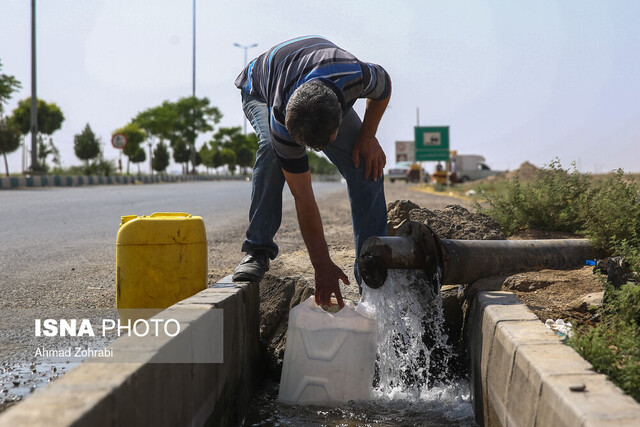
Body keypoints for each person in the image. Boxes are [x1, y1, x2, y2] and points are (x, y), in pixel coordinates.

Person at [232, 36, 391, 308]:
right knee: (271, 150)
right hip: (259, 87)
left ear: (340, 111)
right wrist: (321, 265)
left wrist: (367, 136)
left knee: (366, 164)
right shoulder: (282, 121)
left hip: (322, 78)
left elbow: (385, 85)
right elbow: (304, 197)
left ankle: (371, 269)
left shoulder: (354, 74)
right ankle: (257, 249)